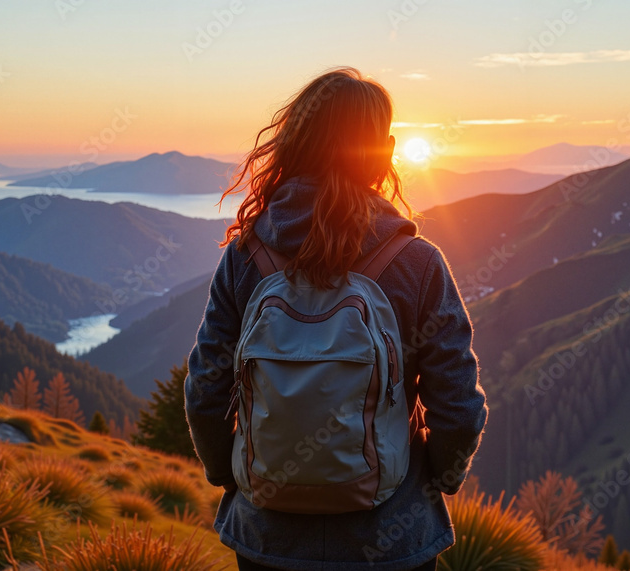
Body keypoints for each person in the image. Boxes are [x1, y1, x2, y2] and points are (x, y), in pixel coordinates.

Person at [184, 67, 487, 571]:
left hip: (268, 538)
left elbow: (205, 391)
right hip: (391, 541)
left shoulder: (246, 256)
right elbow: (457, 403)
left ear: (295, 142)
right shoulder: (416, 262)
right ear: (385, 150)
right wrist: (430, 485)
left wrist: (230, 475)